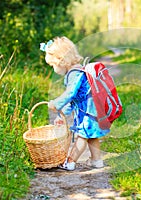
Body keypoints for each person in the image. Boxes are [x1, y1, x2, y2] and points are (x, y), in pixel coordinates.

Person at [40, 36, 109, 170]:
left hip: (88, 112)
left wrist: (56, 103)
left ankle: (70, 162)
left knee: (82, 135)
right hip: (93, 110)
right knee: (91, 134)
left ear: (62, 60)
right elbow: (73, 100)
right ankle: (96, 161)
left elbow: (70, 94)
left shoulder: (74, 73)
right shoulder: (78, 70)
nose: (53, 68)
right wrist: (62, 115)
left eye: (53, 65)